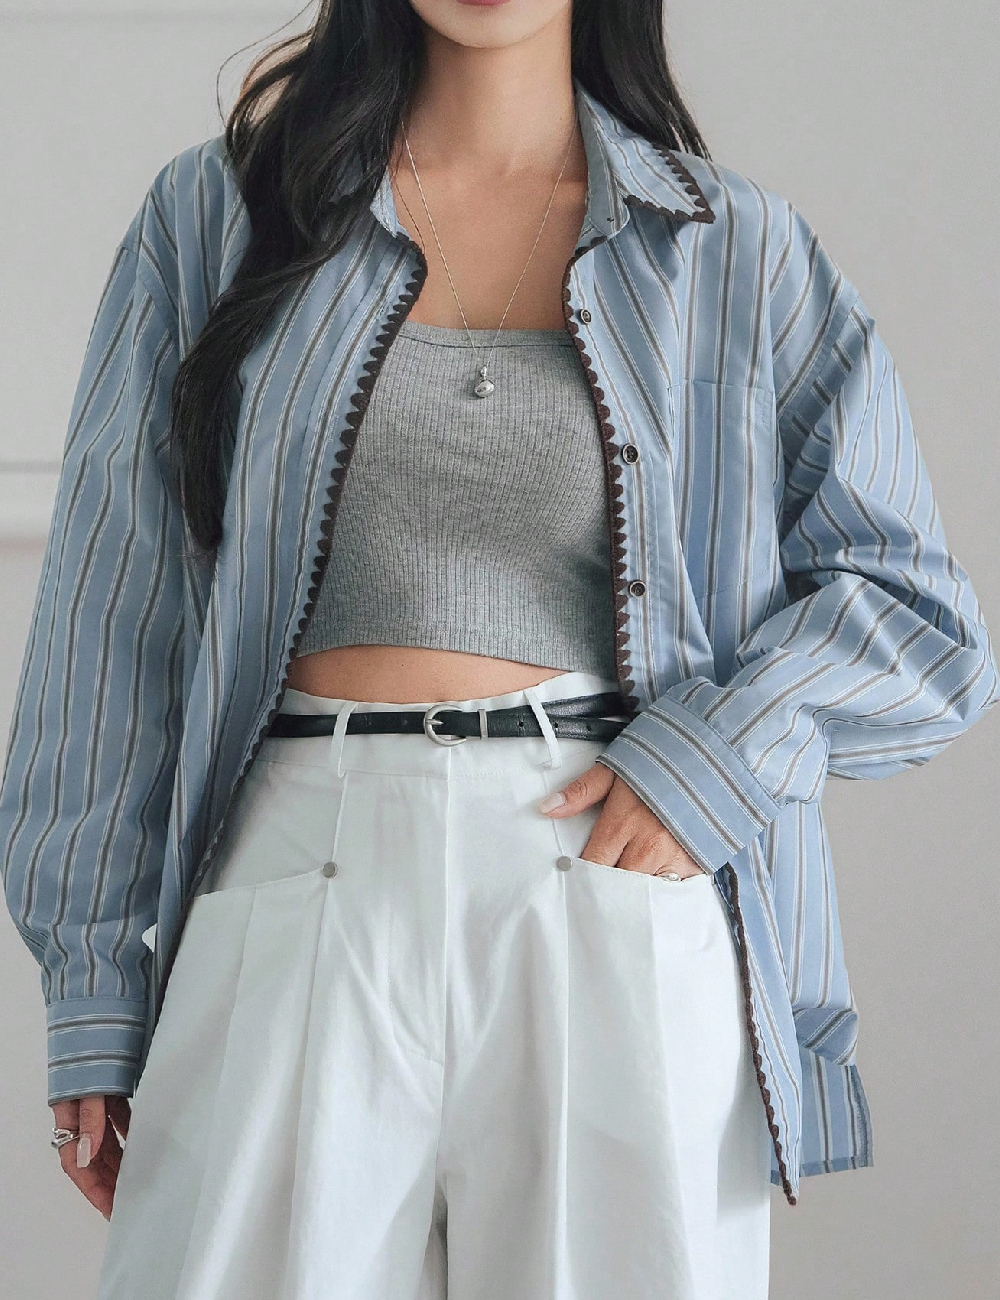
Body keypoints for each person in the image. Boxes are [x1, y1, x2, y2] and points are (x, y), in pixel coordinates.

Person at [2, 1, 997, 1297]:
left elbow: (919, 615)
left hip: (610, 884)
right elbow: (111, 609)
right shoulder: (219, 217)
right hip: (303, 866)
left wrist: (717, 760)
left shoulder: (732, 250)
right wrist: (94, 980)